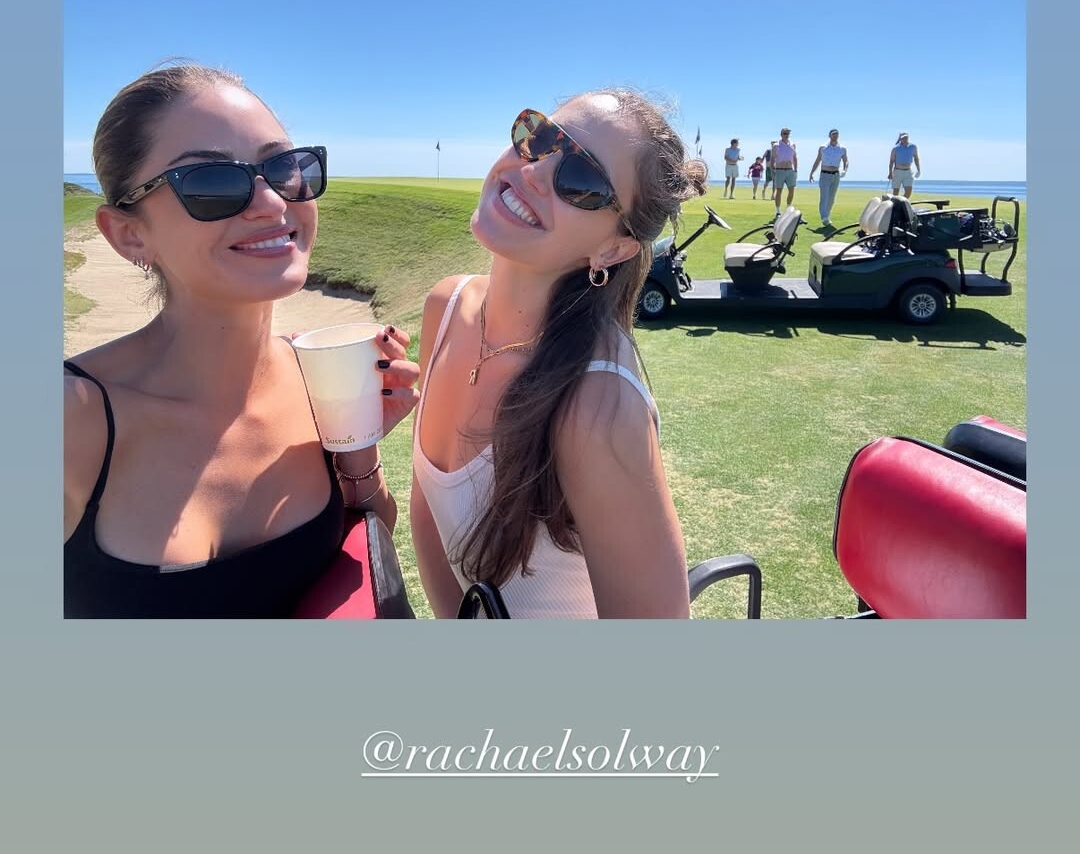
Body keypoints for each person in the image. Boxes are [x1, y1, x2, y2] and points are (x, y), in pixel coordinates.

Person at [63, 63, 419, 617]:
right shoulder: (71, 419)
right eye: (211, 182)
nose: (273, 203)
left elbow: (367, 546)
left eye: (284, 167)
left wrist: (356, 447)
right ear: (129, 234)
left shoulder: (314, 376)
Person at [410, 91, 705, 619]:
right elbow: (428, 519)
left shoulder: (596, 401)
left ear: (613, 249)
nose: (534, 171)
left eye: (581, 180)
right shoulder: (446, 307)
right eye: (540, 137)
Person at [808, 128, 849, 227]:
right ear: (829, 136)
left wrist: (845, 170)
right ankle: (824, 217)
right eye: (833, 134)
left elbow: (846, 161)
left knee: (831, 198)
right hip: (825, 174)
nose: (835, 136)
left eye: (837, 134)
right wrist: (812, 173)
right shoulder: (823, 148)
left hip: (836, 175)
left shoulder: (842, 149)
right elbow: (817, 160)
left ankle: (827, 215)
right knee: (824, 197)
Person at [770, 128, 798, 210]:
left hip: (790, 170)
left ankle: (788, 208)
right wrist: (772, 171)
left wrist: (795, 170)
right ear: (781, 134)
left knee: (791, 190)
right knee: (779, 190)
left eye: (788, 133)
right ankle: (778, 211)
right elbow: (772, 159)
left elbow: (795, 158)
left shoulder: (792, 144)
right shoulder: (776, 145)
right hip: (779, 170)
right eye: (785, 133)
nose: (786, 135)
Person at [889, 131, 921, 198]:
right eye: (903, 138)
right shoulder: (895, 148)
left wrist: (918, 170)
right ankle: (896, 203)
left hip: (908, 172)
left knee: (908, 192)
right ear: (900, 139)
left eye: (906, 137)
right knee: (895, 192)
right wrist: (890, 173)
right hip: (898, 172)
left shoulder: (913, 147)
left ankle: (901, 202)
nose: (905, 139)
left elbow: (916, 158)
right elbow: (891, 161)